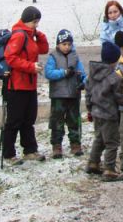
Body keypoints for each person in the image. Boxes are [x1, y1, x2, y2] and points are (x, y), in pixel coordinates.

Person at [3, 6, 50, 164]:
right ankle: (8, 153)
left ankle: (30, 150)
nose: (36, 25)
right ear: (27, 20)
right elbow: (10, 57)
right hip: (17, 85)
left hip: (30, 84)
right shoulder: (19, 35)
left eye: (38, 22)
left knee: (28, 119)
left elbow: (43, 48)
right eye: (34, 22)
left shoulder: (30, 35)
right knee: (14, 120)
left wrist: (38, 33)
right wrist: (30, 67)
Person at [85, 41, 123, 181]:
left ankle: (93, 162)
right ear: (114, 60)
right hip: (109, 114)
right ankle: (109, 169)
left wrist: (90, 109)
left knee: (99, 138)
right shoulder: (115, 78)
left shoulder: (92, 75)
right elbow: (119, 98)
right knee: (112, 142)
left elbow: (88, 93)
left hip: (96, 112)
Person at [44, 29, 87, 158]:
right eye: (64, 44)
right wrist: (63, 73)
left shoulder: (75, 57)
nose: (67, 47)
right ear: (58, 44)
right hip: (58, 95)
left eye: (69, 44)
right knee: (57, 121)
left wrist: (83, 81)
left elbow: (82, 73)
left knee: (74, 120)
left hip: (73, 94)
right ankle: (56, 146)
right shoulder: (53, 57)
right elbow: (49, 73)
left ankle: (75, 144)